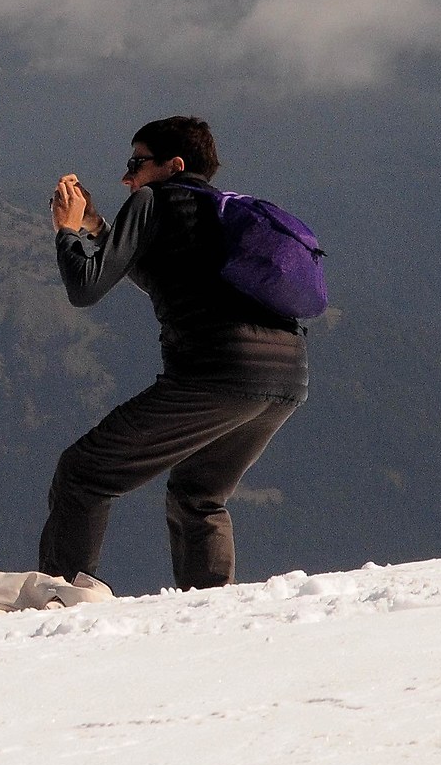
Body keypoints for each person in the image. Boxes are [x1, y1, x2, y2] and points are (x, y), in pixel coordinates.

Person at [39, 116, 309, 592]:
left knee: (83, 474)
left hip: (216, 373)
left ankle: (61, 600)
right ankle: (209, 609)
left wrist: (66, 233)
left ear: (173, 165)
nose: (127, 178)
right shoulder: (217, 212)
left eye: (136, 163)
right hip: (287, 375)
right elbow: (161, 277)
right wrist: (98, 227)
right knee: (198, 494)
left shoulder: (151, 200)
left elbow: (85, 288)